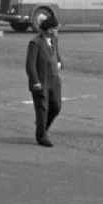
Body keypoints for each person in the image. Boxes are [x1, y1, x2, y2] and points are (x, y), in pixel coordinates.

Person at [25, 15, 62, 147]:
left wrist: (59, 63)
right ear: (49, 30)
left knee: (56, 107)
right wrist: (35, 82)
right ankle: (41, 136)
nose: (57, 31)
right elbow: (30, 65)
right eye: (55, 29)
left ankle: (42, 125)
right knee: (42, 108)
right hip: (41, 81)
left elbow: (56, 55)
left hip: (54, 80)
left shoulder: (54, 40)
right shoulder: (35, 43)